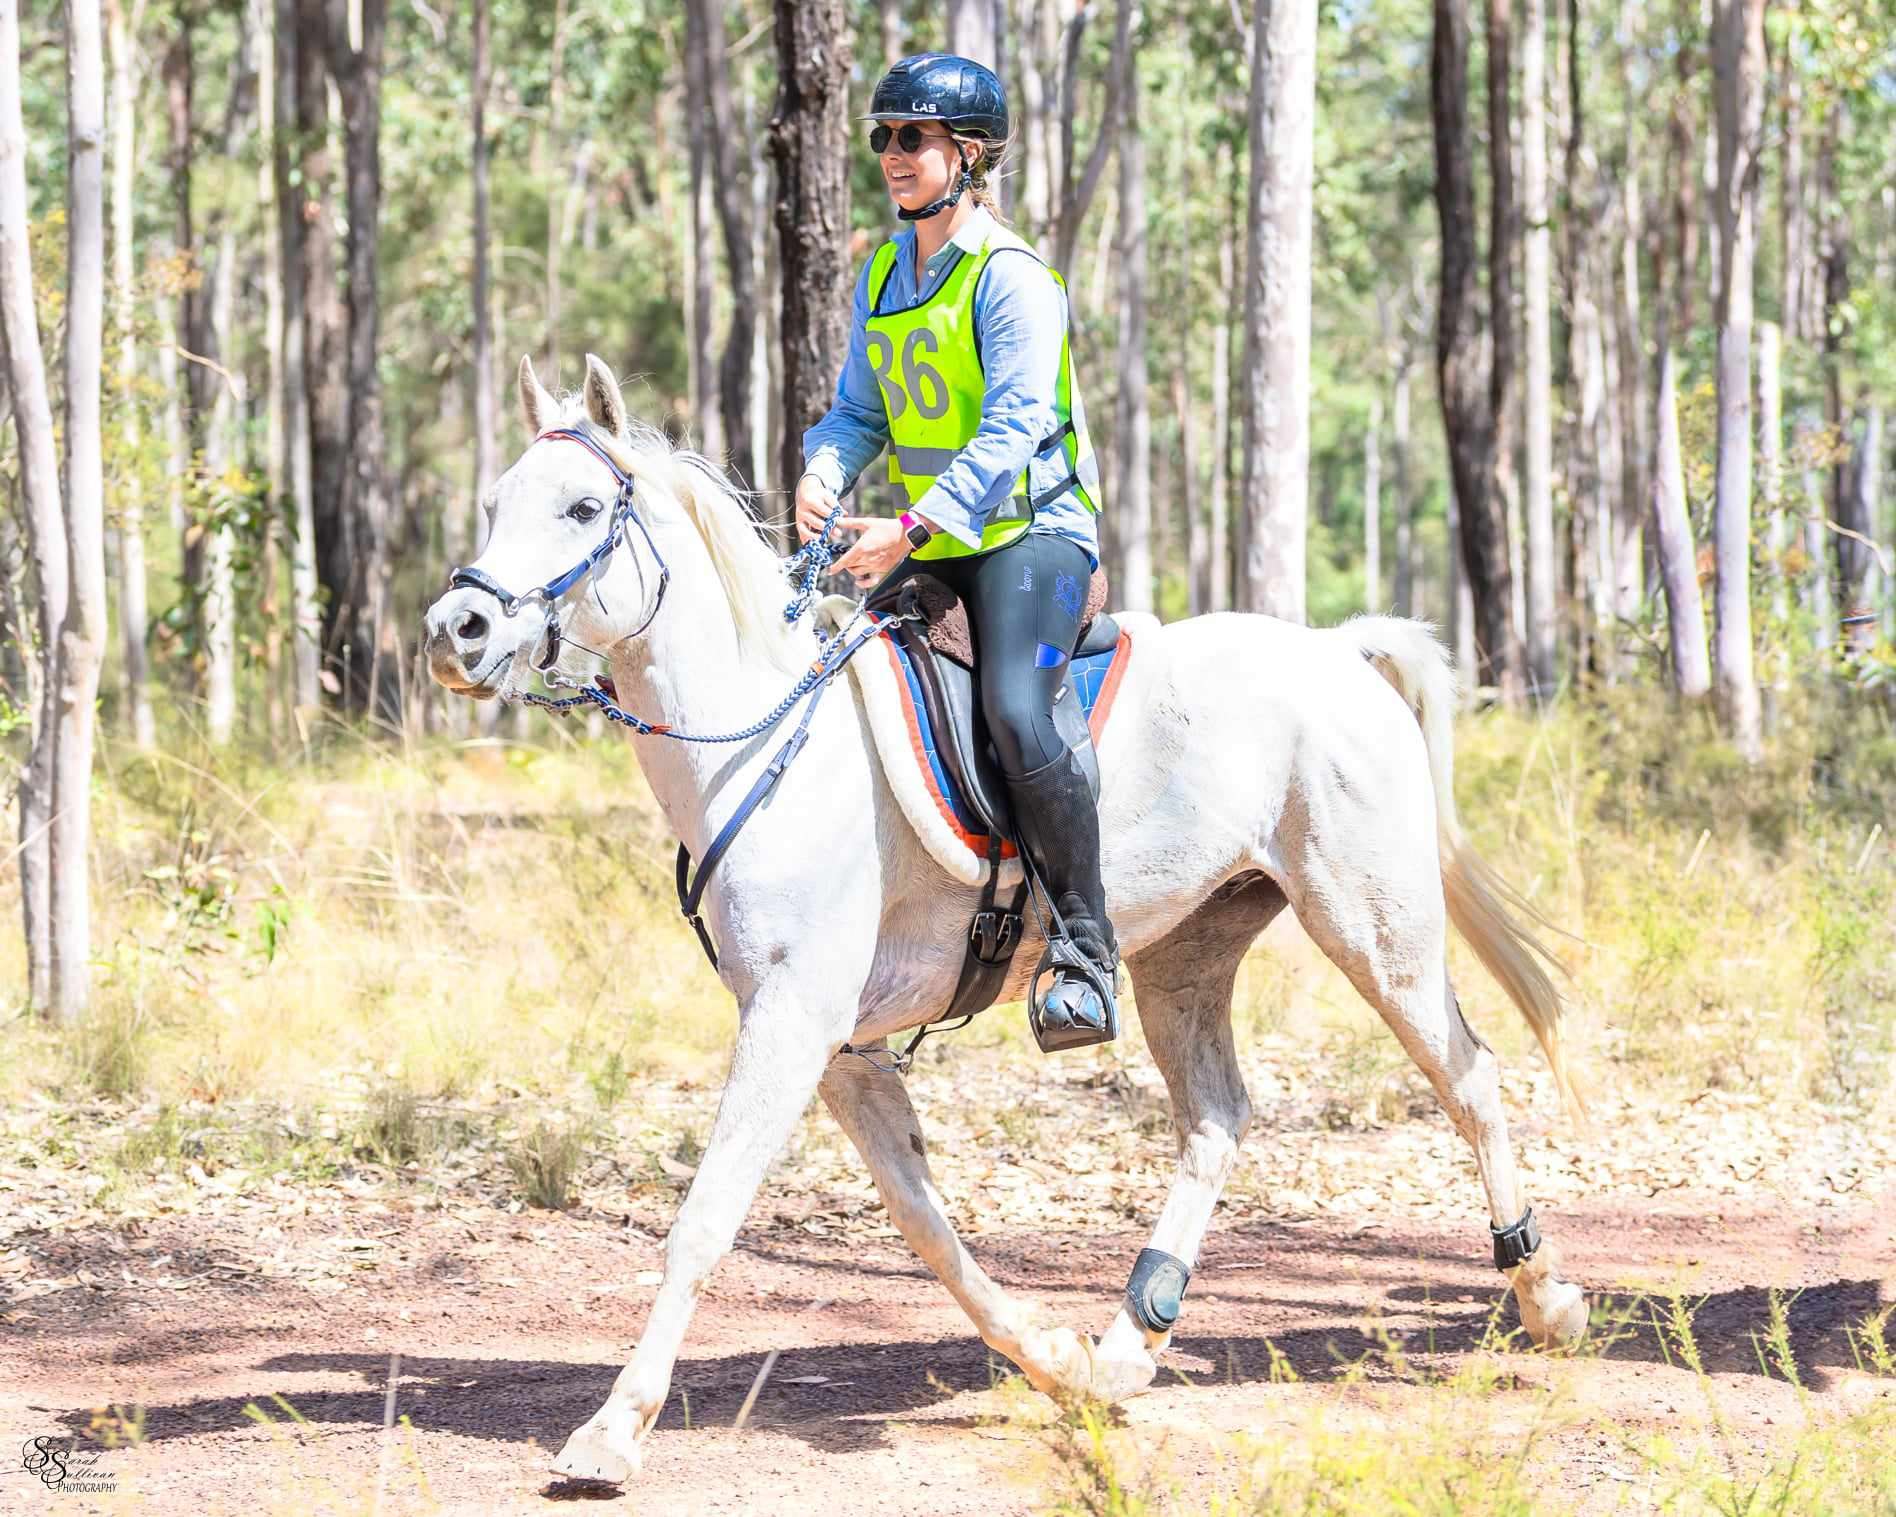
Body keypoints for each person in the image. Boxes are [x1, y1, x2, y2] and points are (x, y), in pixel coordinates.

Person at [794, 52, 1117, 1050]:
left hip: (1034, 537)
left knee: (1021, 707)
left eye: (914, 137)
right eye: (884, 136)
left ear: (970, 156)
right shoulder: (886, 273)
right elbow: (858, 412)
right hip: (937, 535)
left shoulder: (1013, 279)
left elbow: (1016, 426)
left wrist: (911, 527)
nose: (892, 154)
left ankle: (1084, 950)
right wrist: (822, 469)